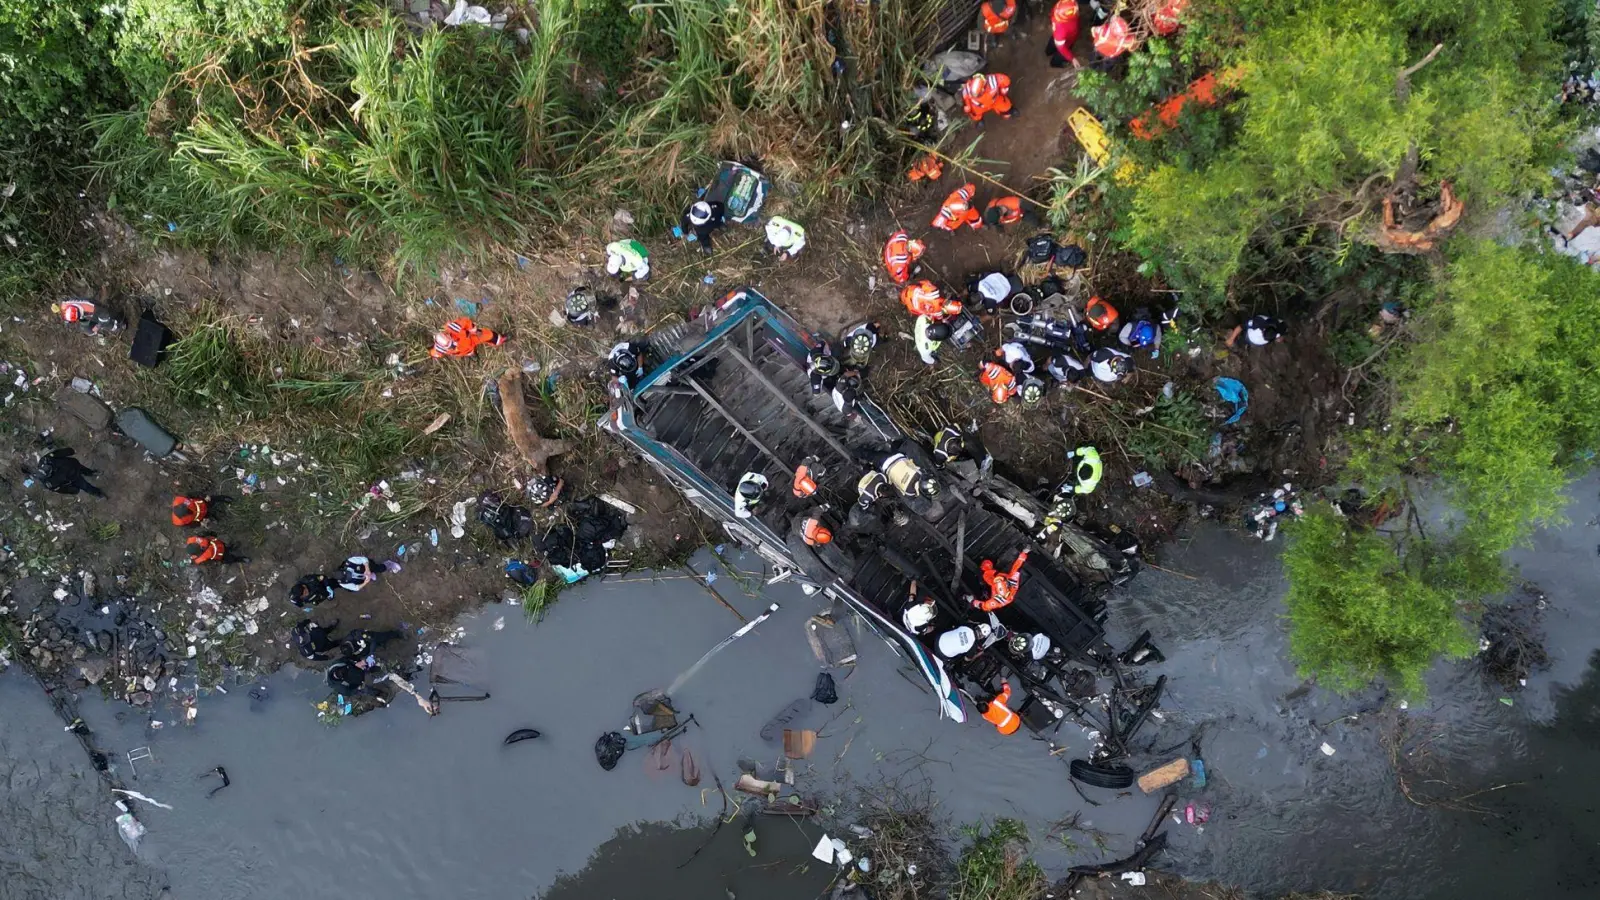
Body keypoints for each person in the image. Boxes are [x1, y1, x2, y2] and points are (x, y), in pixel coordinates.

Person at [35, 447, 103, 497]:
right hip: (73, 478)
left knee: (83, 469)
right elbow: (62, 489)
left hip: (72, 464)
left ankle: (92, 473)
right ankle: (98, 493)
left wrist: (70, 451)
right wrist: (73, 490)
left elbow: (58, 453)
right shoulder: (50, 483)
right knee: (86, 486)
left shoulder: (46, 459)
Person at [430, 317, 506, 359]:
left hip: (470, 337)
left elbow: (465, 321)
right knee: (470, 353)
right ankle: (472, 354)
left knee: (489, 335)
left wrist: (473, 329)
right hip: (464, 350)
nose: (453, 345)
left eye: (452, 343)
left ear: (447, 335)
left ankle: (498, 340)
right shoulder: (441, 349)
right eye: (450, 346)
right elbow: (435, 353)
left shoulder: (453, 328)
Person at [1048, 0, 1082, 68]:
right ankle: (1055, 63)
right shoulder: (1061, 31)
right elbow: (1061, 47)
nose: (1077, 8)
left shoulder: (1059, 8)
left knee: (1051, 45)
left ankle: (1048, 52)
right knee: (1059, 55)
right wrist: (1072, 58)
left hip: (1058, 37)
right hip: (1066, 40)